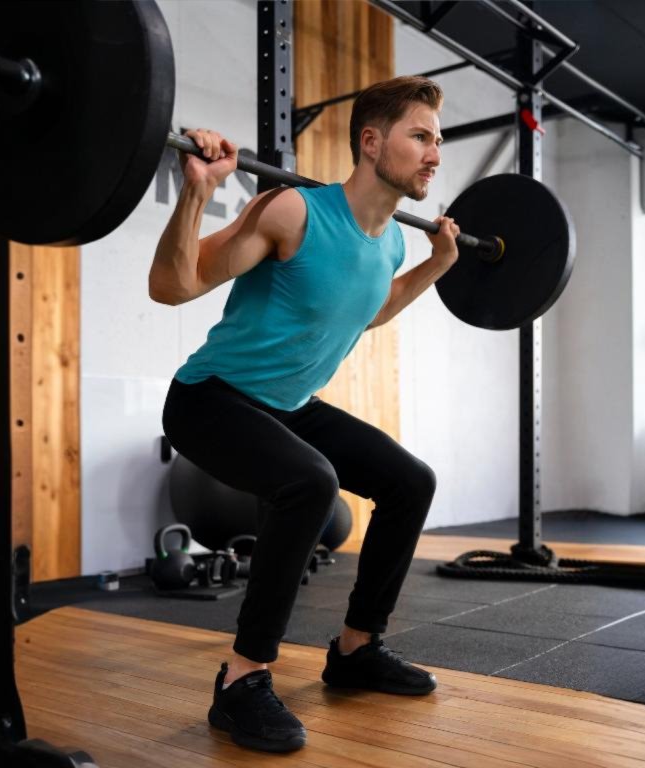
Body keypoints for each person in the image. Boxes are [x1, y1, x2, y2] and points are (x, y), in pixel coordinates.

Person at [150, 76, 459, 753]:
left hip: (289, 407)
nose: (435, 154)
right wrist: (198, 191)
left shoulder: (390, 244)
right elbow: (173, 285)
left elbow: (367, 308)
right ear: (372, 141)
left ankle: (354, 650)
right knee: (310, 483)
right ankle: (242, 679)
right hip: (210, 398)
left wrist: (436, 265)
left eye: (438, 141)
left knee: (411, 481)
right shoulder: (292, 211)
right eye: (421, 137)